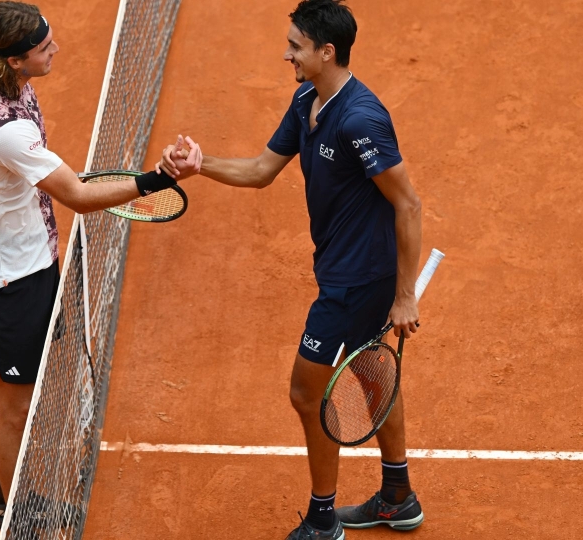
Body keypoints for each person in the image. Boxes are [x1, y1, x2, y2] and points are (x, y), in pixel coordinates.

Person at [157, 0, 424, 538]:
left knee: (306, 393)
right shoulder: (308, 99)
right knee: (372, 375)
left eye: (296, 47)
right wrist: (199, 165)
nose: (287, 54)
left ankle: (323, 521)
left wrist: (405, 295)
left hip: (359, 280)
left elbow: (409, 204)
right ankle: (398, 494)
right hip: (341, 270)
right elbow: (260, 171)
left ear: (327, 52)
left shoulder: (361, 119)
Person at [0, 1, 188, 528]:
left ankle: (0, 490)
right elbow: (78, 197)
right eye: (43, 47)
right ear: (14, 61)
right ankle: (14, 509)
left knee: (9, 386)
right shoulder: (7, 131)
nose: (55, 50)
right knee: (17, 401)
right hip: (9, 278)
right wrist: (155, 179)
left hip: (21, 258)